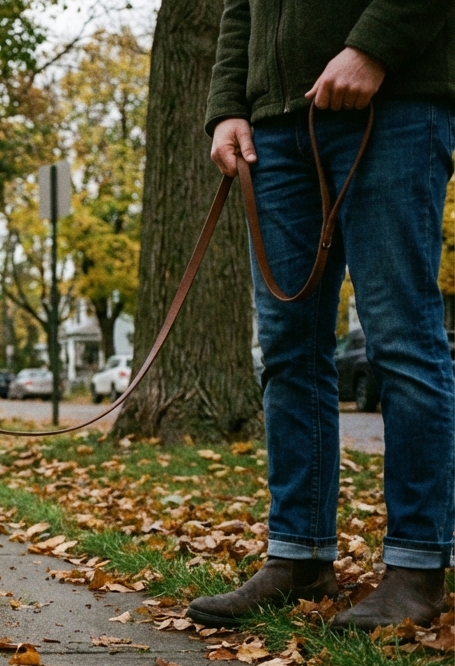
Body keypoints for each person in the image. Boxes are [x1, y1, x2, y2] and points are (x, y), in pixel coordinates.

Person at [186, 1, 455, 631]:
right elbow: (237, 8)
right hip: (273, 127)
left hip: (396, 99)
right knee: (287, 345)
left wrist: (375, 47)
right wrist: (227, 106)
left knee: (400, 336)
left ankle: (417, 568)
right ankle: (299, 554)